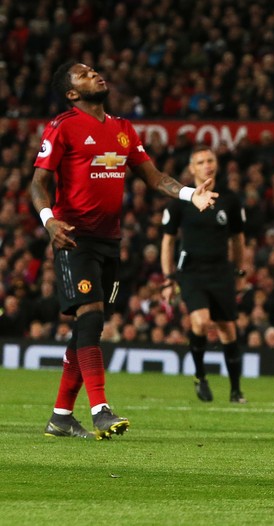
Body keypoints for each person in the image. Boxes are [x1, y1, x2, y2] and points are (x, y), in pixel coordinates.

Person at [32, 62, 217, 440]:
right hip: (73, 236)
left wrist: (188, 194)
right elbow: (37, 183)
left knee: (86, 328)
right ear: (72, 93)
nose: (95, 75)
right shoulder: (62, 125)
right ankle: (100, 409)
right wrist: (50, 221)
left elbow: (154, 178)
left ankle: (61, 417)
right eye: (84, 74)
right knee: (91, 321)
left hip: (109, 241)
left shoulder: (123, 129)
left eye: (94, 71)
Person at [161, 145, 247, 404]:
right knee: (200, 322)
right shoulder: (181, 200)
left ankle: (235, 390)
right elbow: (167, 241)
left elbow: (238, 239)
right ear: (191, 168)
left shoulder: (230, 199)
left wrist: (240, 272)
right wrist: (168, 277)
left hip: (221, 271)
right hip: (192, 272)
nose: (207, 165)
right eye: (200, 162)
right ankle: (200, 375)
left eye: (210, 160)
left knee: (228, 330)